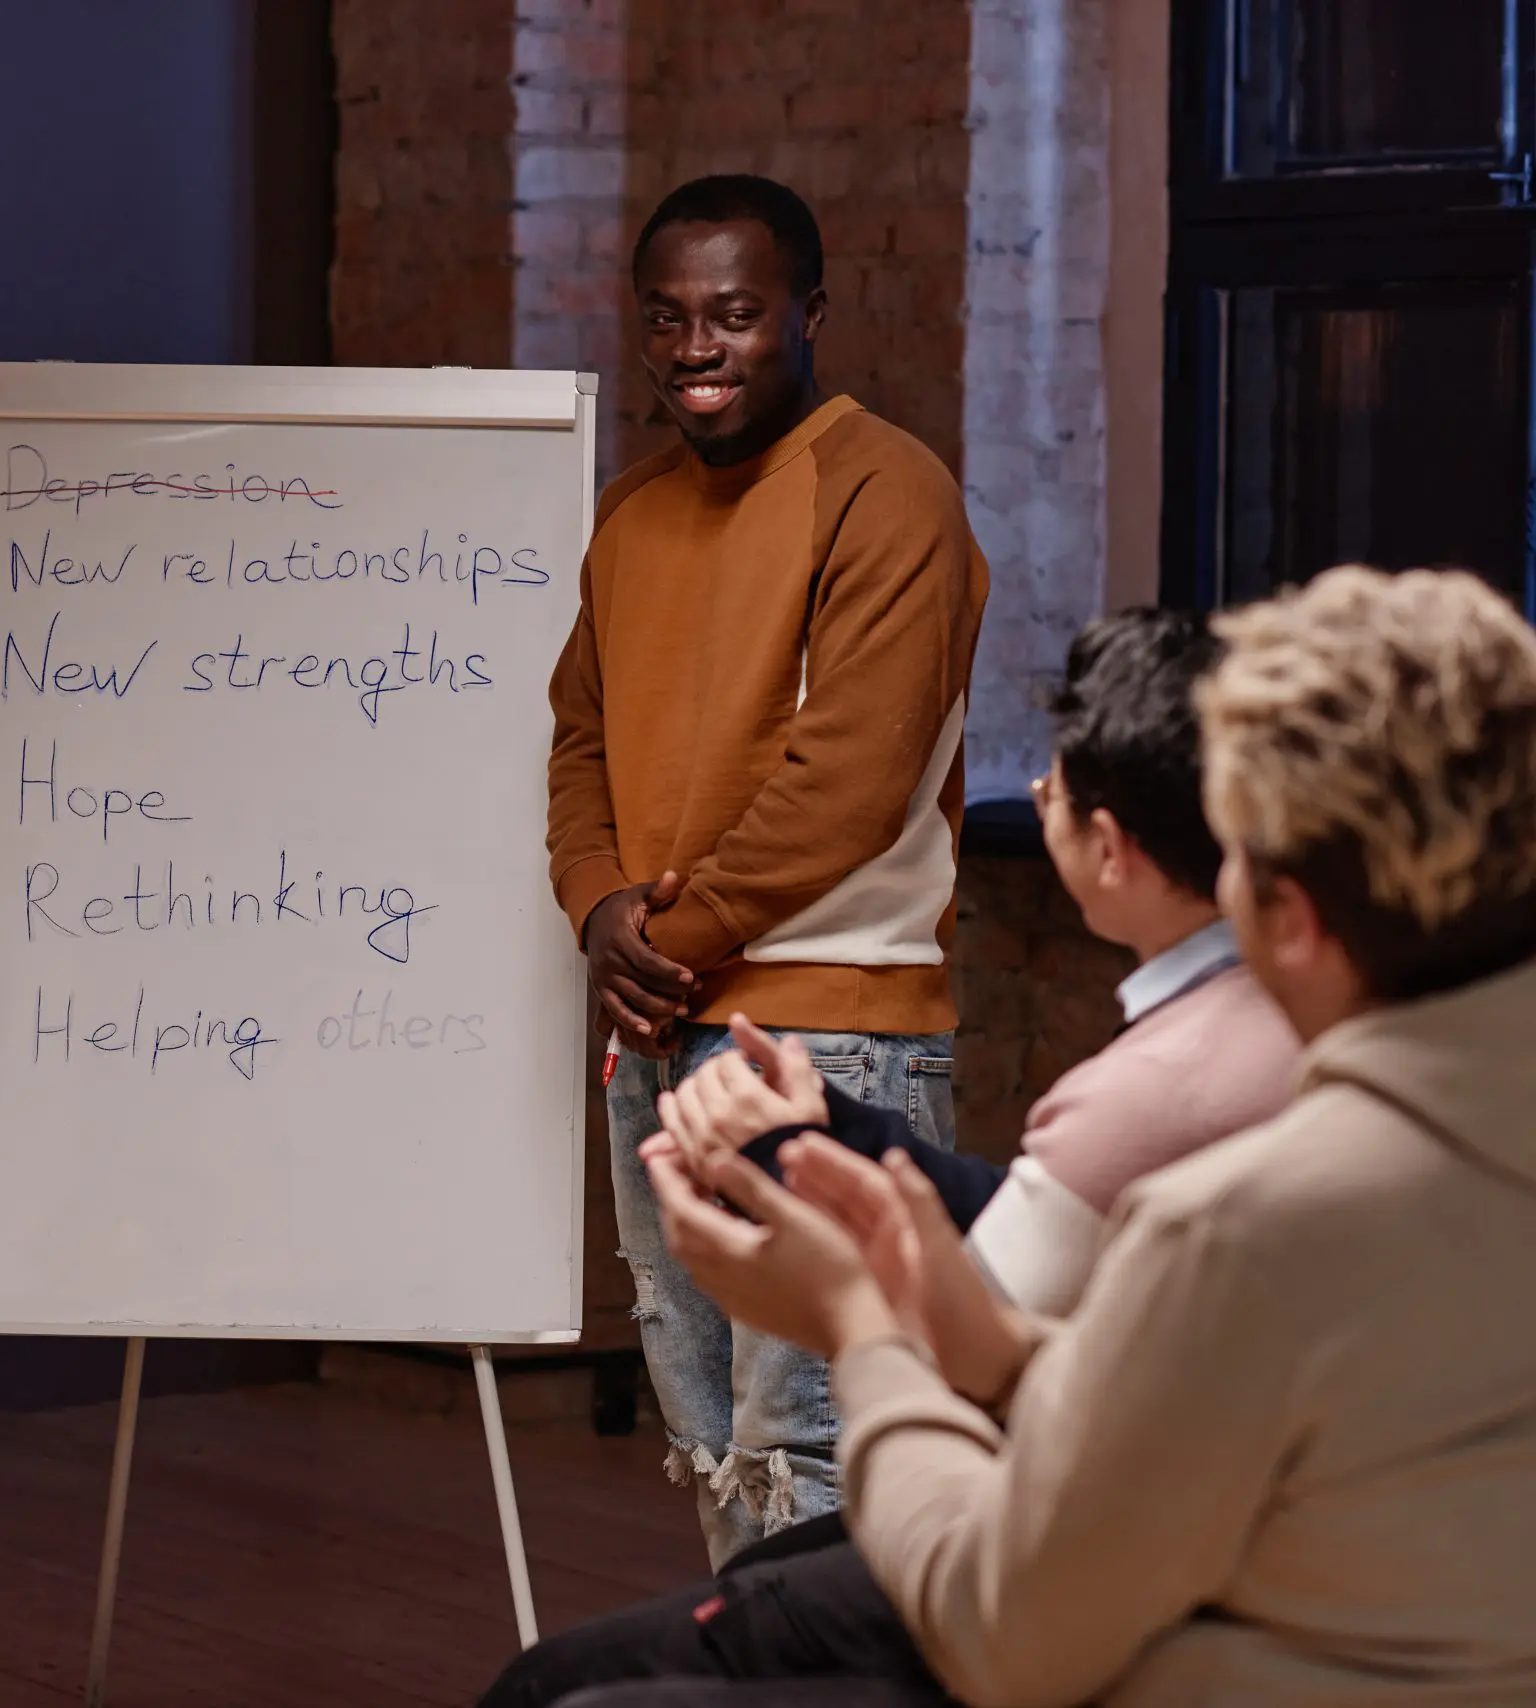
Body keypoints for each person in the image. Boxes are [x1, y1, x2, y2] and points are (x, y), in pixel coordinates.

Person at [529, 566, 1536, 1705]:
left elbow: (1003, 1631)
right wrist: (1008, 1358)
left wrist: (864, 1330)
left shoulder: (1245, 1225)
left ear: (1291, 918)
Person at [545, 173, 988, 1561]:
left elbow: (846, 785)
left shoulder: (887, 492)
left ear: (807, 313)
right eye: (668, 317)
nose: (696, 347)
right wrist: (596, 905)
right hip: (658, 1030)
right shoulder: (631, 512)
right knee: (718, 1455)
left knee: (817, 1457)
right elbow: (579, 743)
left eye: (734, 314)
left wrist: (666, 935)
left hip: (829, 1037)